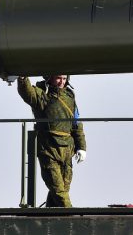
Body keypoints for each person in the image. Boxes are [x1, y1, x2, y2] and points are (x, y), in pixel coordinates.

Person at [16, 75, 86, 207]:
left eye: (64, 78)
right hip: (48, 150)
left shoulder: (69, 96)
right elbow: (27, 93)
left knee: (62, 188)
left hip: (67, 151)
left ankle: (50, 214)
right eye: (58, 78)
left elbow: (76, 123)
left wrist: (81, 147)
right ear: (50, 78)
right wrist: (23, 79)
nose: (61, 82)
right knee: (58, 190)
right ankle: (70, 216)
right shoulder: (42, 95)